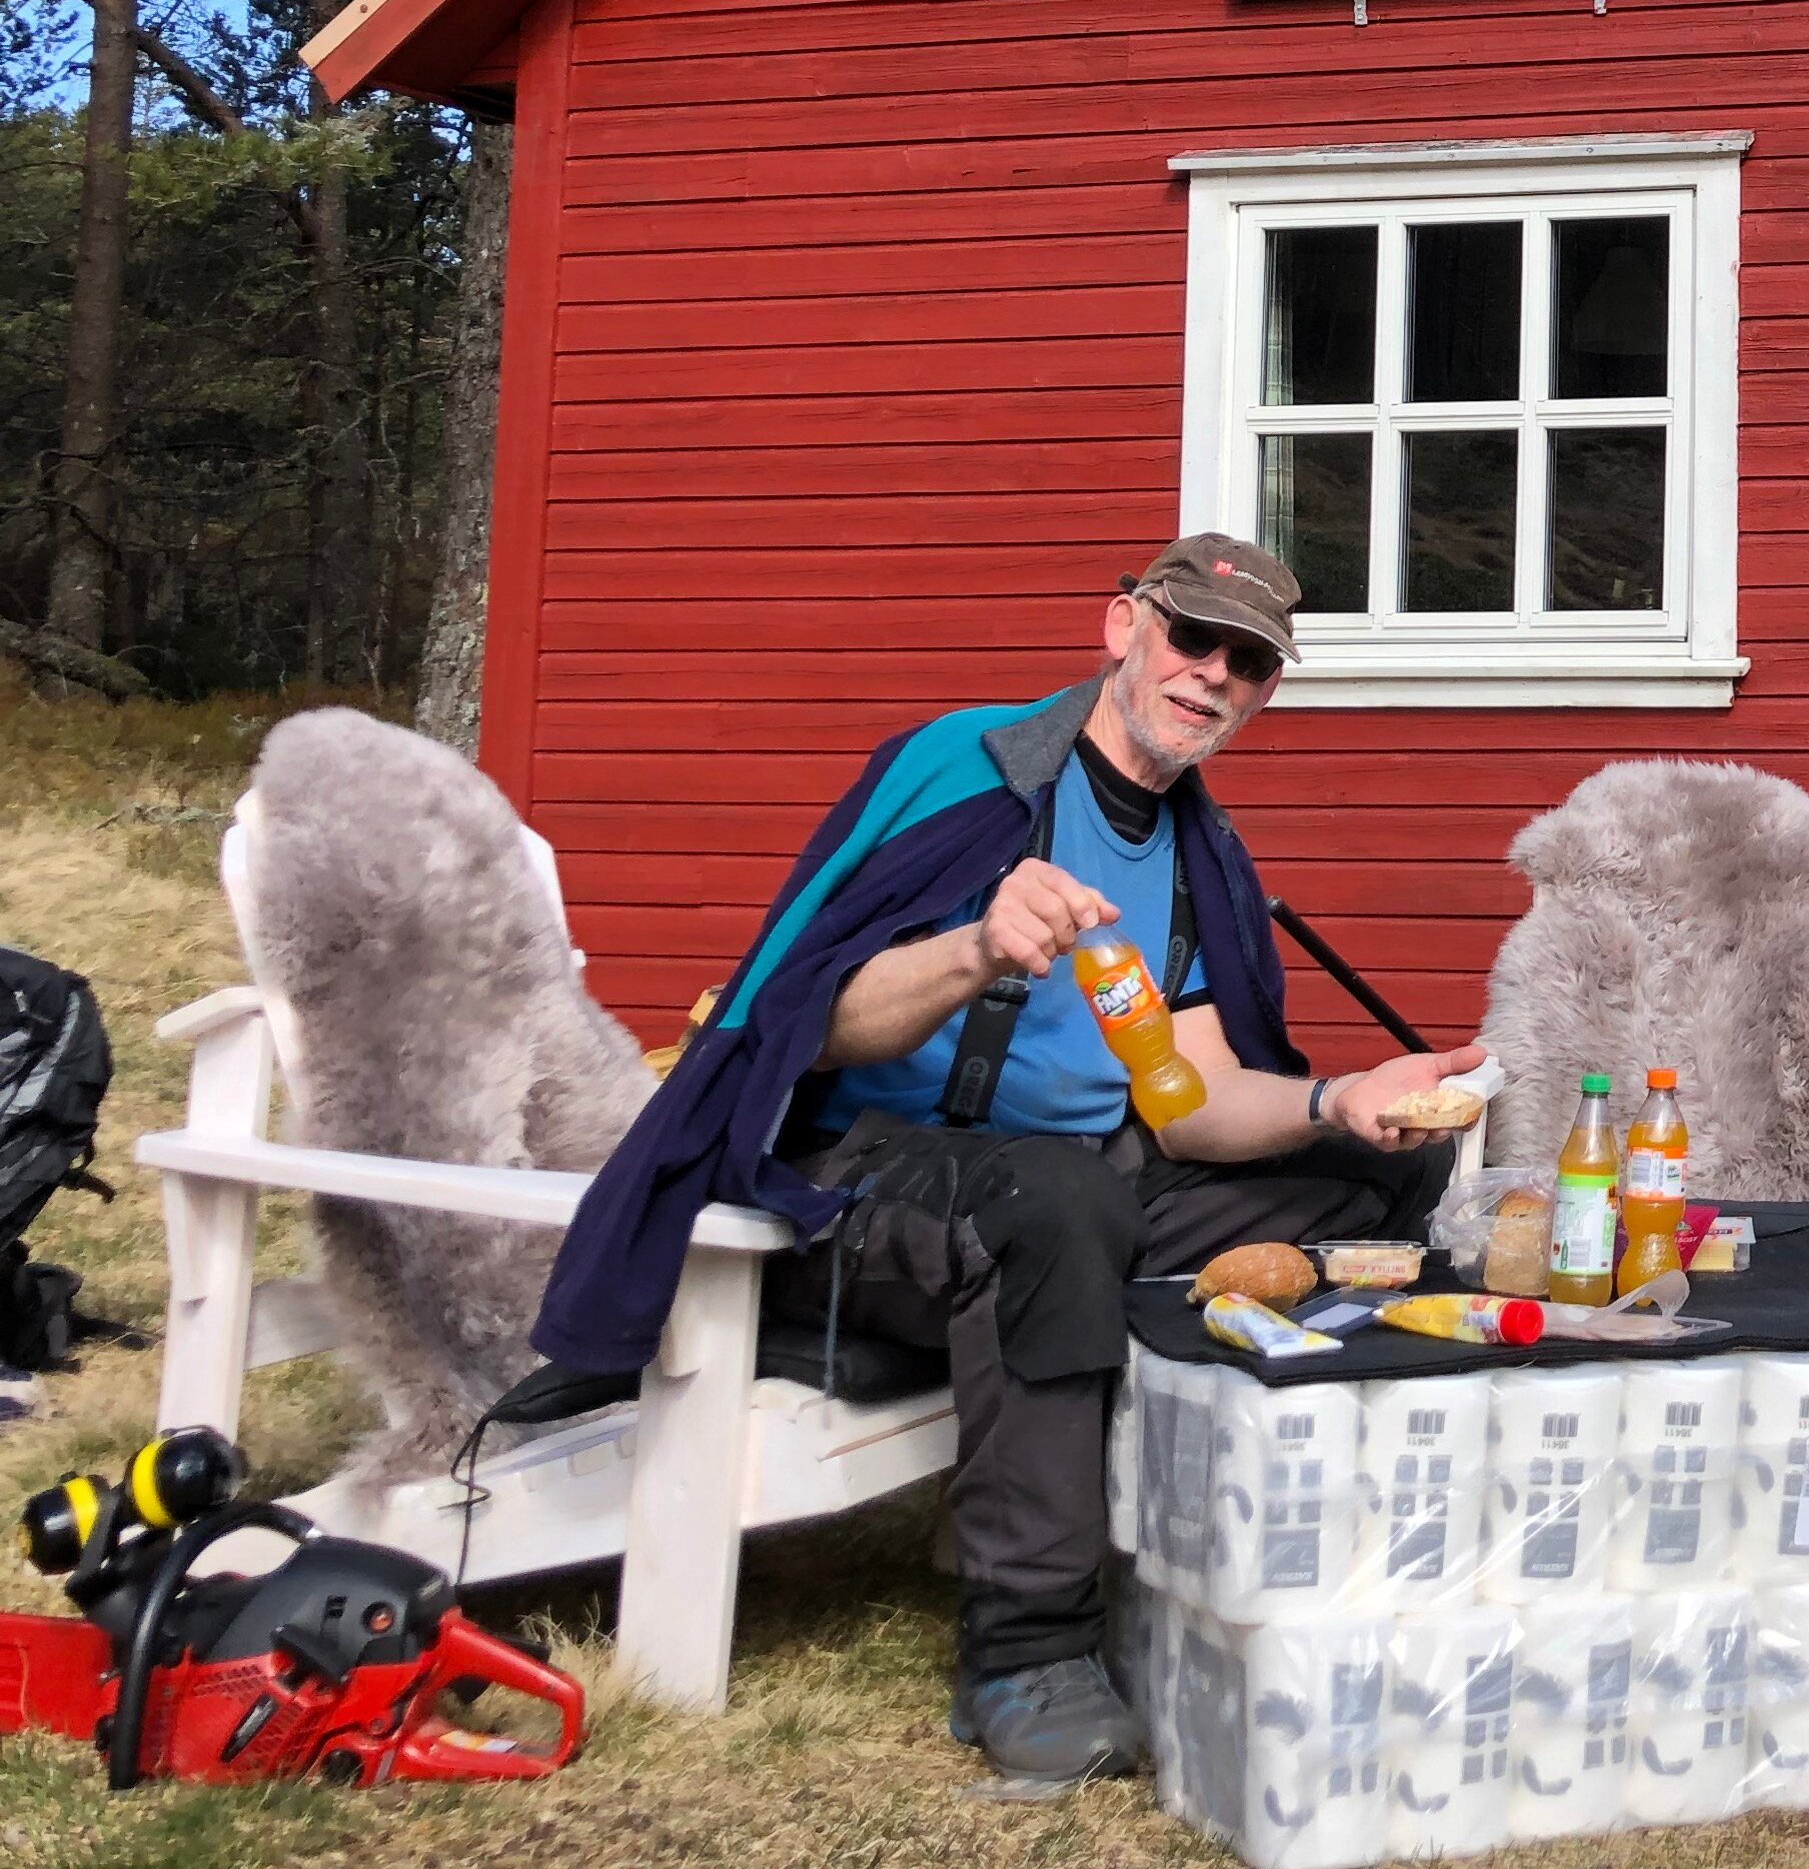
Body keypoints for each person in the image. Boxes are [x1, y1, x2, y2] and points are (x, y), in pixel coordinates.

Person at [532, 535, 1487, 1781]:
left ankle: (1274, 1541)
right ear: (1120, 629)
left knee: (1382, 1178)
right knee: (1057, 1197)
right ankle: (1026, 1650)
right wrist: (976, 947)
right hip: (854, 1189)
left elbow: (1189, 1101)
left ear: (1266, 692)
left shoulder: (1195, 853)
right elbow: (803, 1026)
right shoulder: (963, 771)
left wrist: (1342, 1096)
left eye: (1245, 661)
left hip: (1070, 1193)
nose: (1209, 674)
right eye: (1190, 637)